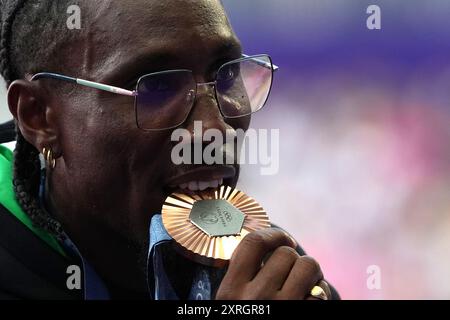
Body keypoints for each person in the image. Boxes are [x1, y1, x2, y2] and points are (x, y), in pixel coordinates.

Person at [0, 0, 339, 300]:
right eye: (156, 86)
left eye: (227, 73)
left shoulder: (276, 276)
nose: (215, 130)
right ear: (38, 117)